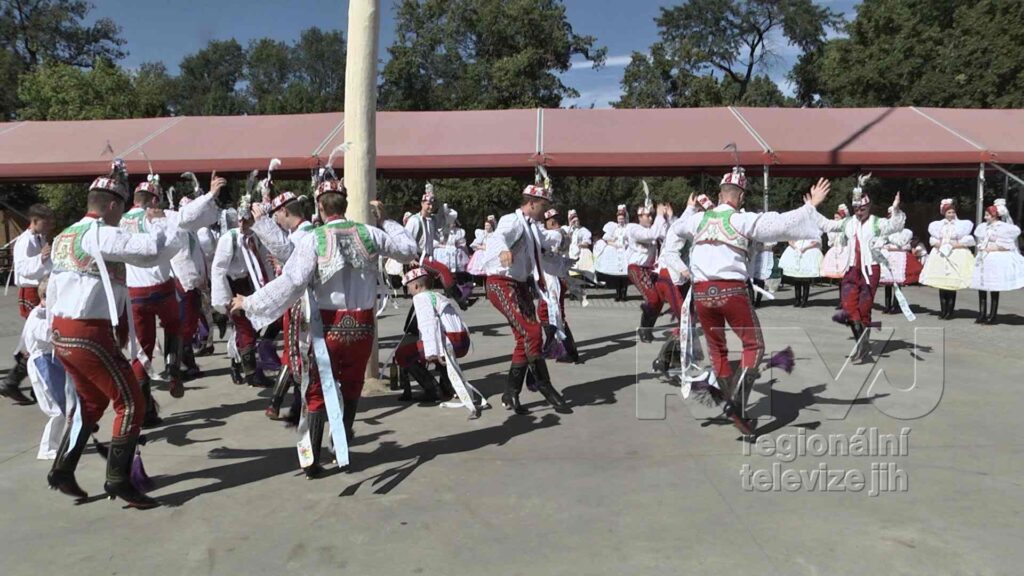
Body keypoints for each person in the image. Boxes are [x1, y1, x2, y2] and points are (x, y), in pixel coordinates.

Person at [231, 177, 418, 478]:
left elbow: (292, 282)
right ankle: (340, 445)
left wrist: (250, 302)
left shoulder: (314, 239)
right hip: (362, 327)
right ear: (345, 204)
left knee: (316, 390)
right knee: (353, 385)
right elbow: (409, 250)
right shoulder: (369, 233)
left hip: (327, 328)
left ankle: (312, 460)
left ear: (320, 207)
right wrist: (387, 221)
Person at [46, 160, 177, 509]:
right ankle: (119, 479)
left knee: (92, 402)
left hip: (63, 331)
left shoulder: (66, 234)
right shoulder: (100, 233)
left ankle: (62, 469)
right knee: (131, 403)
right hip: (88, 332)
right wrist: (161, 224)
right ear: (113, 206)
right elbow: (150, 252)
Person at [670, 166, 830, 435]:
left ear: (719, 195)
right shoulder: (744, 220)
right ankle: (737, 402)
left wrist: (679, 257)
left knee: (717, 349)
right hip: (731, 291)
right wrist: (810, 206)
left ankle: (734, 406)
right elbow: (783, 224)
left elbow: (674, 230)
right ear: (741, 197)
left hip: (701, 293)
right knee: (754, 346)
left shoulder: (697, 220)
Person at [120, 174, 220, 426]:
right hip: (162, 286)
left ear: (134, 200)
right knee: (175, 326)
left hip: (134, 292)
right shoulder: (160, 215)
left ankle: (145, 409)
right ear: (154, 201)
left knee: (141, 350)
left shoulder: (120, 221)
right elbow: (187, 215)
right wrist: (209, 194)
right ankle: (173, 368)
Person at [482, 181, 570, 415]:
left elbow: (546, 243)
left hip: (520, 285)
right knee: (532, 332)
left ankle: (511, 393)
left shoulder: (533, 228)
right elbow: (499, 236)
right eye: (543, 206)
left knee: (525, 338)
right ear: (531, 204)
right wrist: (503, 250)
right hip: (501, 283)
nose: (545, 211)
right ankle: (544, 384)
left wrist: (563, 239)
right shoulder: (512, 220)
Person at [816, 175, 904, 362]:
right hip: (851, 269)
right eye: (856, 209)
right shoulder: (848, 223)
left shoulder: (877, 223)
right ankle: (862, 344)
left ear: (869, 207)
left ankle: (862, 347)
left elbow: (895, 226)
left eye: (862, 209)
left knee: (864, 309)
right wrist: (810, 209)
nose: (858, 212)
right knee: (848, 306)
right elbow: (827, 224)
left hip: (870, 270)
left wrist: (895, 209)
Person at [250, 191, 316, 422]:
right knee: (295, 351)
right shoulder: (300, 234)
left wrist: (262, 224)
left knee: (294, 352)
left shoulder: (303, 236)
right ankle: (288, 403)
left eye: (276, 215)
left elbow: (289, 254)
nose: (276, 220)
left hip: (299, 303)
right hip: (298, 302)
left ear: (285, 211)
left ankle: (279, 402)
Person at [211, 194, 279, 387]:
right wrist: (223, 299)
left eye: (247, 220)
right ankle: (251, 372)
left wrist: (271, 287)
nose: (242, 224)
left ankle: (237, 364)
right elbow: (218, 269)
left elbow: (264, 261)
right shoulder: (230, 239)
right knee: (245, 328)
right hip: (233, 287)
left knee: (253, 327)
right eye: (240, 220)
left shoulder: (256, 237)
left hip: (252, 284)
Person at [394, 268, 472, 405]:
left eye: (408, 287)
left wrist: (432, 352)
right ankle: (447, 386)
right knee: (433, 348)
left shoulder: (420, 298)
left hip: (450, 341)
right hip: (462, 340)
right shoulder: (437, 295)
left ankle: (433, 390)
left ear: (416, 286)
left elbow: (429, 324)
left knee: (402, 354)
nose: (408, 290)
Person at [3, 203, 54, 404]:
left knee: (41, 339)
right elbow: (23, 269)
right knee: (38, 339)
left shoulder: (40, 237)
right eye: (46, 223)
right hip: (31, 292)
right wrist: (42, 258)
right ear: (34, 221)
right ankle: (13, 381)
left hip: (41, 289)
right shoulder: (24, 241)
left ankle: (34, 385)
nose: (49, 227)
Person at [405, 183, 472, 309]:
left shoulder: (433, 220)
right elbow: (405, 240)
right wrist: (410, 258)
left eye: (432, 204)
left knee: (426, 290)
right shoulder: (414, 221)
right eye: (428, 204)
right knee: (443, 270)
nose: (430, 207)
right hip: (419, 258)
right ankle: (460, 298)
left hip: (429, 256)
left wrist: (435, 197)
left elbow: (444, 216)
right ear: (422, 204)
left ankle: (421, 317)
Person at [21, 276, 66, 459]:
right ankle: (46, 449)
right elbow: (51, 335)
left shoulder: (46, 313)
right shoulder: (38, 317)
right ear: (44, 297)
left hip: (51, 361)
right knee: (56, 408)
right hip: (42, 363)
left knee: (64, 404)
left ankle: (62, 441)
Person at [970, 199, 1024, 324]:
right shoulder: (984, 227)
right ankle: (982, 313)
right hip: (983, 258)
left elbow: (1008, 245)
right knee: (981, 285)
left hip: (994, 258)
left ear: (994, 215)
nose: (985, 217)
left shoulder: (1003, 228)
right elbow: (982, 240)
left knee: (993, 286)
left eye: (987, 215)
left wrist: (993, 248)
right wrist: (983, 248)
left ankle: (993, 315)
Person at [921, 199, 976, 319]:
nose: (951, 214)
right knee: (942, 285)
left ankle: (950, 311)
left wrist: (953, 245)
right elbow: (933, 240)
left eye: (952, 212)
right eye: (948, 212)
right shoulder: (937, 225)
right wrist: (939, 245)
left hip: (955, 253)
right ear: (944, 213)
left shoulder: (961, 225)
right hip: (941, 254)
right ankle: (943, 310)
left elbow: (966, 240)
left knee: (952, 285)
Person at [540, 209, 581, 363]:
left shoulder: (557, 234)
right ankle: (559, 348)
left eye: (554, 219)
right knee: (550, 313)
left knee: (551, 313)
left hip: (554, 279)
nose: (552, 222)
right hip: (551, 278)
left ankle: (565, 350)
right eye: (550, 220)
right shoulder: (556, 233)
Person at [626, 204, 670, 342]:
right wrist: (659, 215)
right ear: (639, 216)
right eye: (648, 215)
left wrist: (667, 217)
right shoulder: (633, 228)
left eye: (652, 215)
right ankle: (643, 329)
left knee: (659, 300)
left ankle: (647, 329)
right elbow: (650, 235)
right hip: (636, 268)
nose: (651, 218)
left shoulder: (653, 229)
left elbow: (667, 235)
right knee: (653, 299)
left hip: (650, 269)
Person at [878, 207, 923, 314]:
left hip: (899, 257)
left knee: (897, 283)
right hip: (888, 256)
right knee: (888, 283)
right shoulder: (885, 231)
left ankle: (895, 305)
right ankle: (887, 306)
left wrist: (896, 248)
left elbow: (907, 246)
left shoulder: (906, 232)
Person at [594, 205, 630, 301]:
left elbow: (631, 239)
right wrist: (614, 244)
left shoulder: (628, 228)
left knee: (625, 274)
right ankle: (618, 294)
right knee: (617, 274)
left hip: (625, 252)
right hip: (616, 252)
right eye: (619, 219)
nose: (620, 221)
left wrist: (626, 244)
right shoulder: (614, 228)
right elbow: (607, 240)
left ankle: (624, 294)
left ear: (624, 219)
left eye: (622, 219)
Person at [779, 237, 823, 308]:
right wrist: (795, 247)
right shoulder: (796, 231)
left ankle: (804, 301)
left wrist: (806, 248)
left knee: (806, 279)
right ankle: (797, 300)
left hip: (808, 251)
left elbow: (816, 241)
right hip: (796, 250)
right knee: (797, 279)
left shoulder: (811, 232)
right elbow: (790, 240)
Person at [820, 205, 851, 280]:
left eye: (837, 217)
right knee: (835, 270)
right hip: (835, 249)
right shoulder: (833, 228)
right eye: (835, 217)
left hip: (844, 249)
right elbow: (831, 241)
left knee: (845, 270)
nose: (835, 219)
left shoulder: (846, 226)